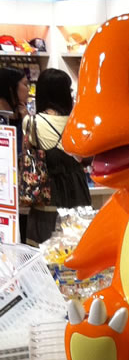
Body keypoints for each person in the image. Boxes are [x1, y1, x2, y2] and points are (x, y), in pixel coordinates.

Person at [22, 68, 91, 245]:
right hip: (78, 193)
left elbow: (27, 157)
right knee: (76, 244)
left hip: (47, 197)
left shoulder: (32, 123)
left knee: (44, 249)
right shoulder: (78, 122)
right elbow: (87, 158)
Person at [0, 65, 29, 152]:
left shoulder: (23, 115)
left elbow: (26, 153)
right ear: (11, 88)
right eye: (25, 84)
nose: (28, 89)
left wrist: (26, 122)